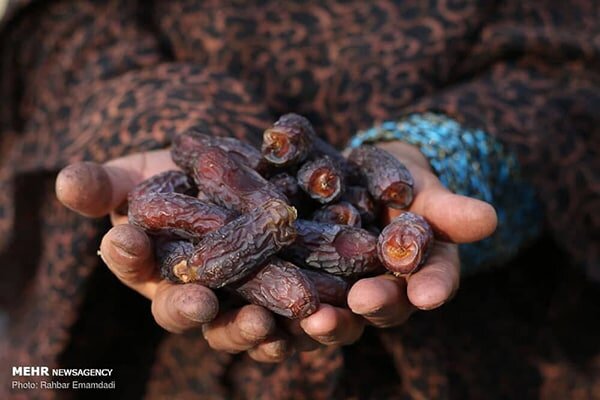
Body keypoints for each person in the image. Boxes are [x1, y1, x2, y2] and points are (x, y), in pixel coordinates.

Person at [0, 1, 598, 398]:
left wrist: (450, 152)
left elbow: (570, 55)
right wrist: (163, 119)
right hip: (158, 367)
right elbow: (61, 26)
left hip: (491, 348)